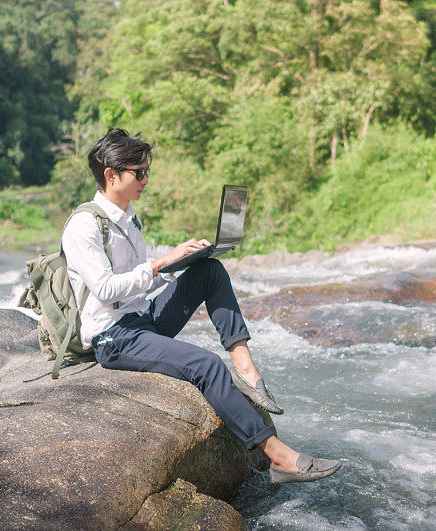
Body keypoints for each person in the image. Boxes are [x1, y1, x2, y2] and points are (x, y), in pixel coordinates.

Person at [62, 128, 341, 484]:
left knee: (209, 270)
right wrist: (162, 263)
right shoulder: (84, 225)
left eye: (147, 171)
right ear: (111, 175)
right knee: (206, 365)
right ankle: (279, 458)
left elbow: (139, 286)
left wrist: (182, 263)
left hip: (140, 319)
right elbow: (104, 290)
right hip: (112, 338)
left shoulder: (129, 217)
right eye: (139, 172)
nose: (146, 179)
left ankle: (246, 370)